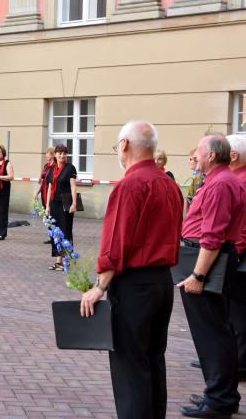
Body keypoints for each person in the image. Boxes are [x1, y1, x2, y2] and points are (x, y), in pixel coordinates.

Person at [80, 121, 183, 419]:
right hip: (163, 282)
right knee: (153, 360)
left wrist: (99, 287)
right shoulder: (169, 184)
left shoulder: (129, 186)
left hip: (135, 286)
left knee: (131, 368)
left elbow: (115, 245)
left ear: (124, 145)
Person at [178, 133, 246, 418]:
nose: (196, 155)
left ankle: (219, 399)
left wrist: (198, 274)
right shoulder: (221, 180)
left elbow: (213, 236)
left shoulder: (221, 183)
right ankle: (221, 394)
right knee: (217, 330)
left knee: (212, 333)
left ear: (213, 156)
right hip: (209, 258)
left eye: (200, 151)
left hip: (208, 261)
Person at [226, 134, 246, 382]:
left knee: (237, 313)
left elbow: (241, 228)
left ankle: (239, 362)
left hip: (239, 257)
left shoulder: (239, 181)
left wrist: (235, 255)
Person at [45, 144, 78, 271]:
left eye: (64, 153)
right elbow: (49, 188)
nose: (62, 155)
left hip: (66, 204)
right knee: (55, 232)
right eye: (60, 153)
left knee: (65, 231)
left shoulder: (70, 168)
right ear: (55, 154)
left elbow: (73, 187)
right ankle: (58, 261)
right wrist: (47, 205)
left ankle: (67, 260)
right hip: (54, 204)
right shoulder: (52, 169)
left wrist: (74, 203)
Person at [34, 147, 56, 245]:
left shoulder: (55, 166)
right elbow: (42, 181)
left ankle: (56, 236)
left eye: (47, 153)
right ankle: (51, 237)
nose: (46, 155)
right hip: (43, 193)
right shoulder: (46, 166)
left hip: (51, 195)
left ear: (52, 155)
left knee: (52, 215)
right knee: (47, 216)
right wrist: (37, 193)